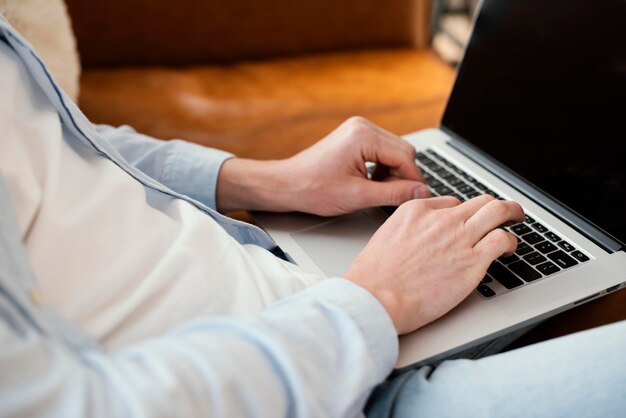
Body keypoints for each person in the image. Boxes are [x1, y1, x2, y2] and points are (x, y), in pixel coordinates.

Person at [0, 12, 624, 418]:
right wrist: (377, 298)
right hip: (334, 389)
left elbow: (57, 145)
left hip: (288, 282)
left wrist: (271, 180)